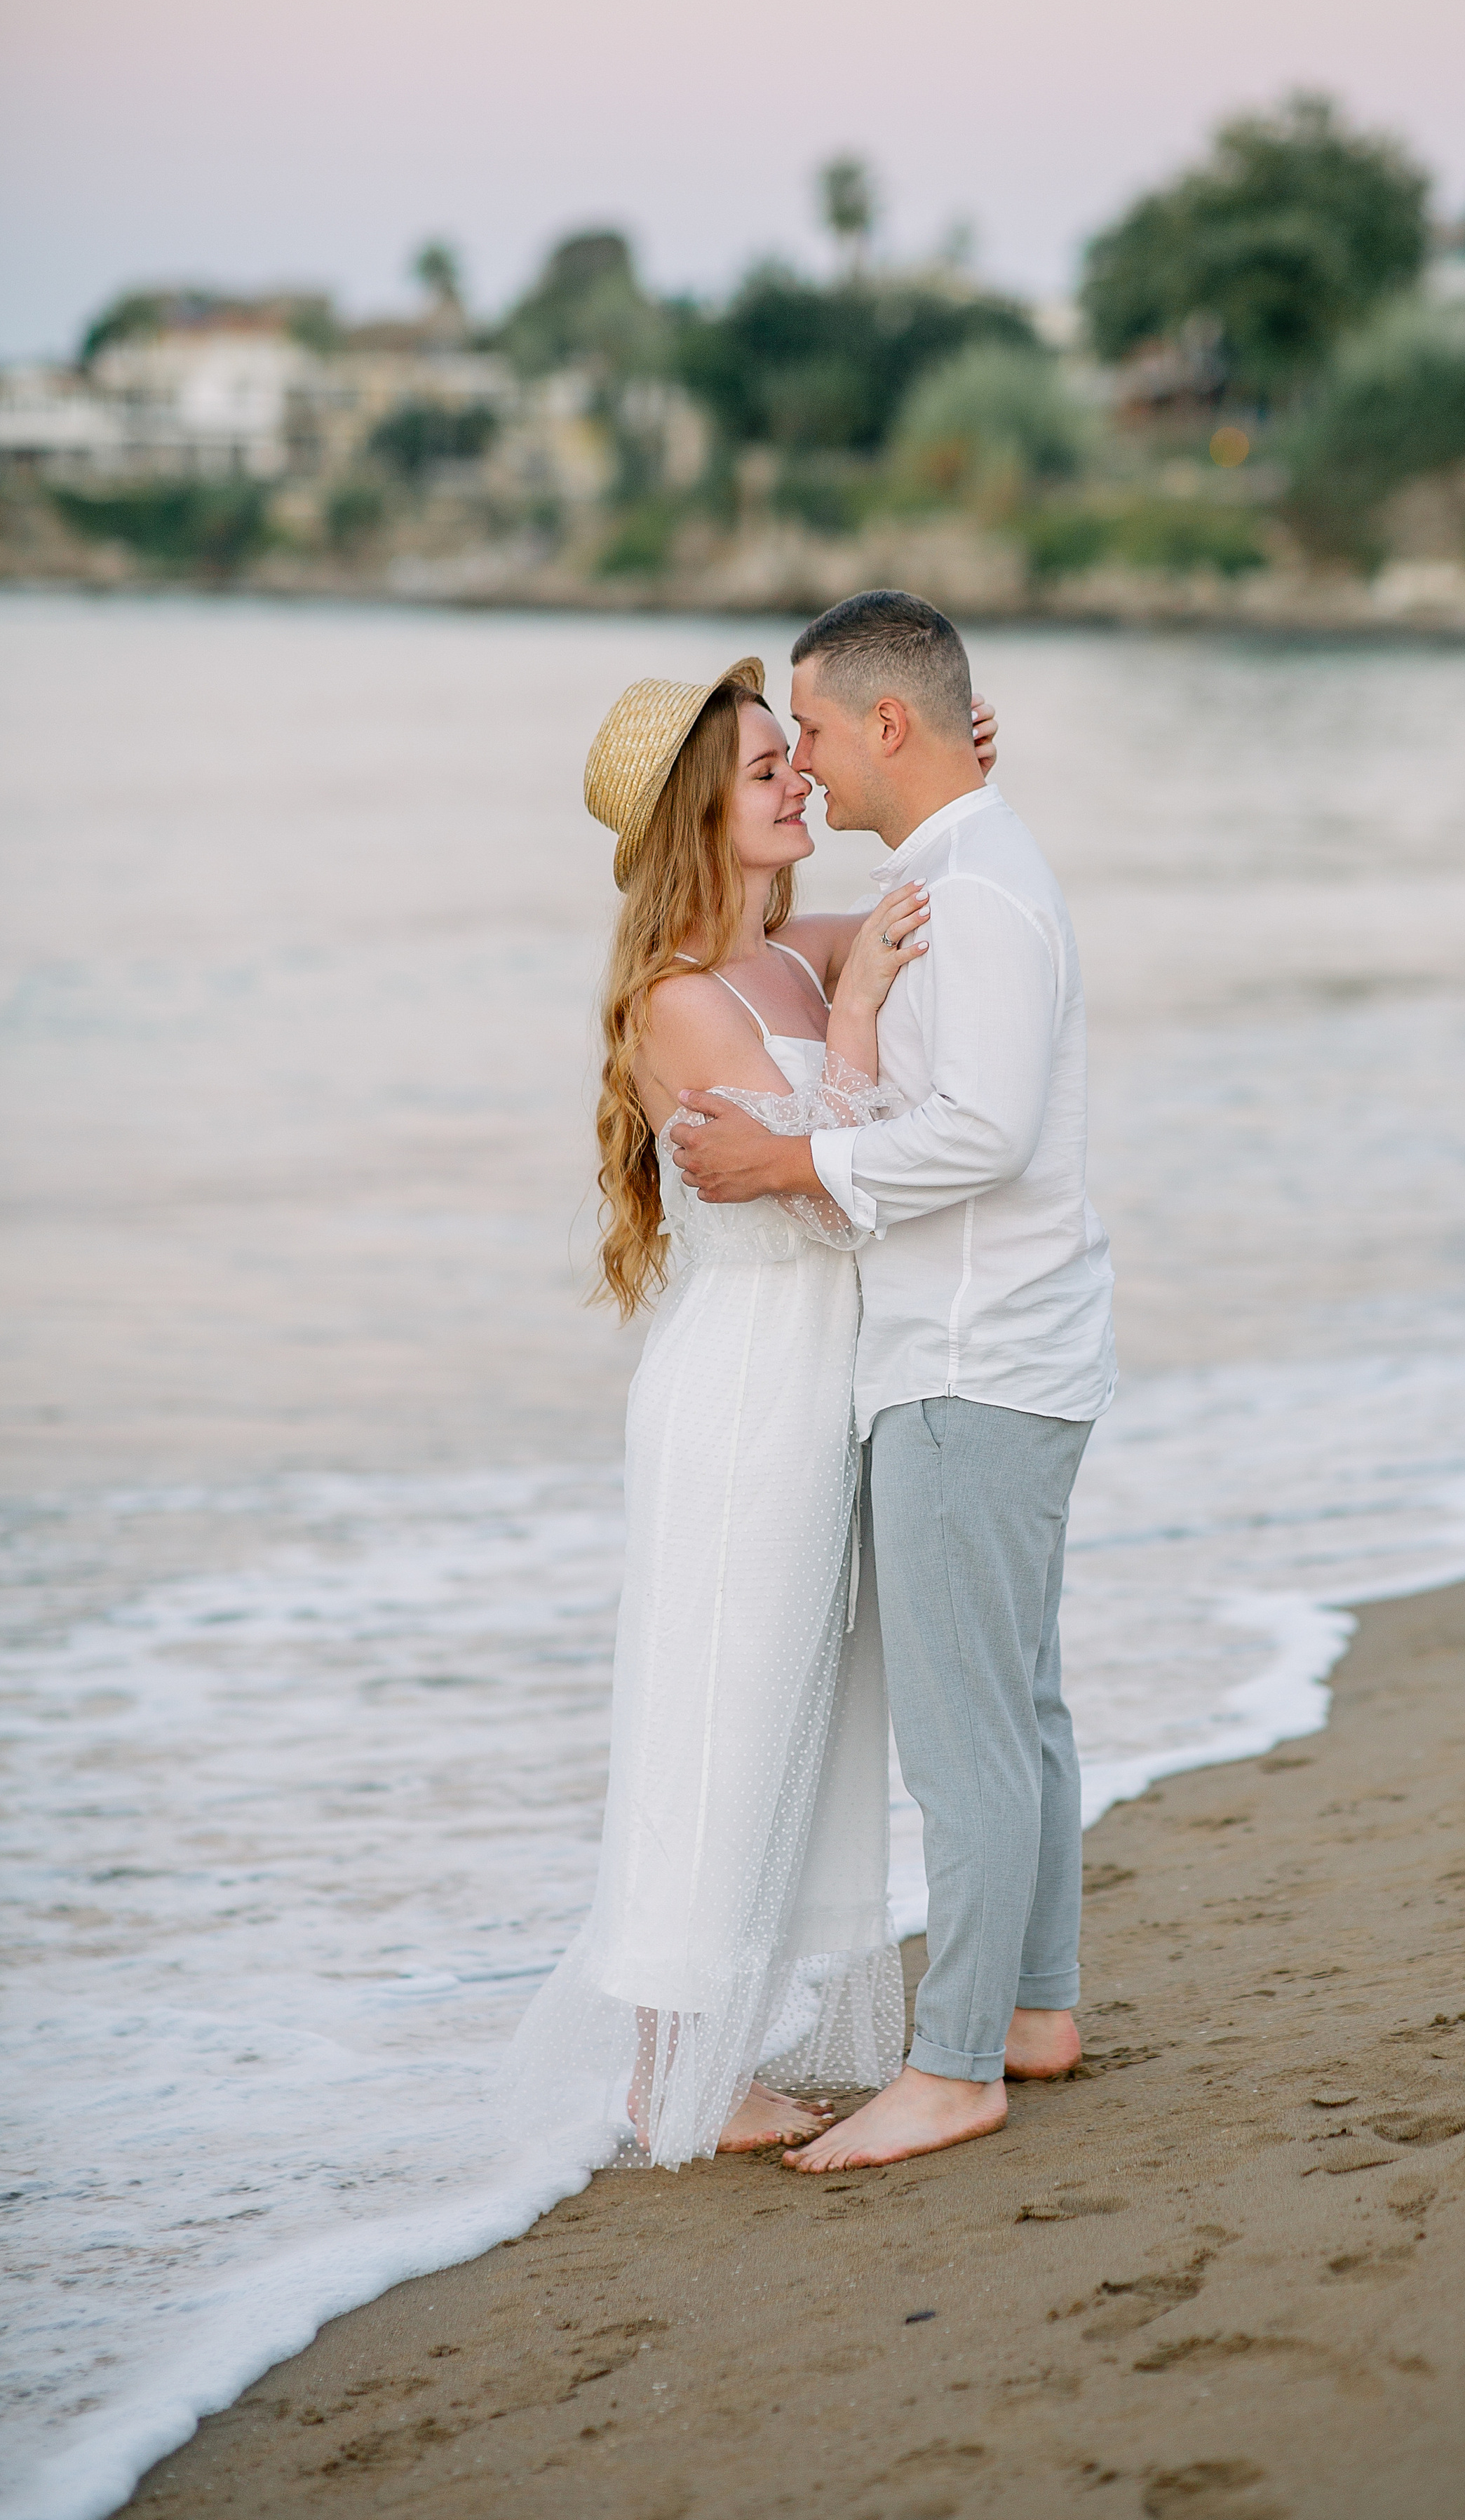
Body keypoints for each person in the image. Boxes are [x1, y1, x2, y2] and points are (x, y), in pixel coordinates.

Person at [506, 654, 997, 2169]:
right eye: (770, 770)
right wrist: (851, 1017)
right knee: (713, 1717)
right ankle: (675, 2078)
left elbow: (935, 911)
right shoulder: (678, 1005)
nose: (799, 784)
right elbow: (829, 1189)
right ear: (699, 822)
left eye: (800, 758)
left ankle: (710, 2043)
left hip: (811, 1389)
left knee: (787, 1708)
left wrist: (961, 793)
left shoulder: (784, 955)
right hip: (737, 1398)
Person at [669, 591, 1116, 2171]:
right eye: (768, 745)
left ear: (884, 726)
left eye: (809, 727)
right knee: (1019, 1706)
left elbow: (982, 1134)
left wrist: (791, 1152)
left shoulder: (973, 887)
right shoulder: (955, 868)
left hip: (966, 1359)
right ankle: (1034, 2011)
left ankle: (953, 2066)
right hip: (998, 1349)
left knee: (967, 1734)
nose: (798, 759)